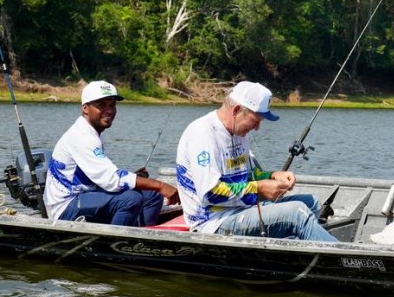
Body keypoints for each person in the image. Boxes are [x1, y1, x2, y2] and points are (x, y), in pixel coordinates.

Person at [175, 81, 337, 242]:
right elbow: (210, 193)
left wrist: (272, 176)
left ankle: (300, 253)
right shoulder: (203, 134)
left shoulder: (239, 132)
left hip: (240, 209)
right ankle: (342, 259)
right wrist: (259, 189)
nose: (258, 128)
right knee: (297, 213)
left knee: (312, 203)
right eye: (255, 121)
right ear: (237, 110)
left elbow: (250, 174)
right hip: (213, 222)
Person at [44, 80, 178, 226]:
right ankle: (114, 243)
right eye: (101, 104)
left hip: (86, 195)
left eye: (112, 105)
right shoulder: (83, 137)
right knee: (131, 199)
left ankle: (144, 239)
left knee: (152, 196)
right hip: (66, 207)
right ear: (85, 108)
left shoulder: (93, 132)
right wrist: (160, 185)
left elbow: (103, 176)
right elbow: (111, 179)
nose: (109, 110)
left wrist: (137, 179)